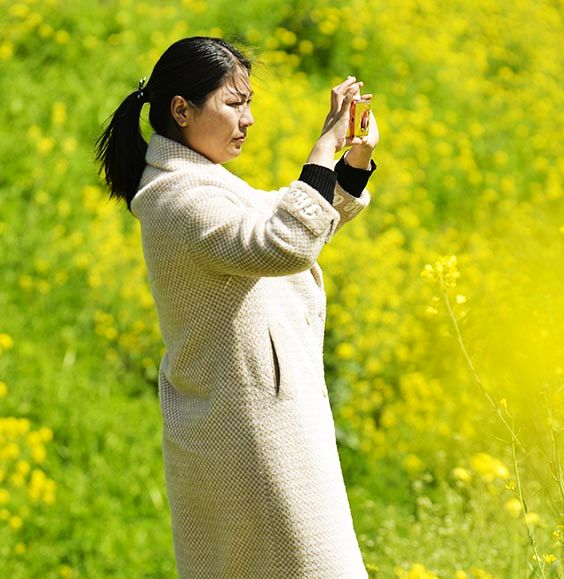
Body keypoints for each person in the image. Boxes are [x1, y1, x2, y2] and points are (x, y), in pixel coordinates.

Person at [94, 36, 379, 578]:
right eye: (234, 103)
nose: (247, 119)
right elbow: (282, 242)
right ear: (182, 110)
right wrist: (320, 148)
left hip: (264, 425)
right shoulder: (174, 197)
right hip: (244, 437)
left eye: (248, 102)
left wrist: (352, 159)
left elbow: (288, 219)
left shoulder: (201, 182)